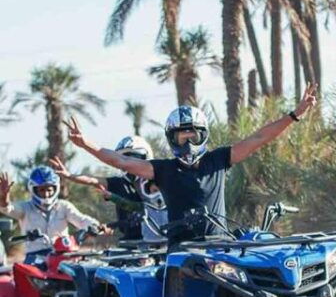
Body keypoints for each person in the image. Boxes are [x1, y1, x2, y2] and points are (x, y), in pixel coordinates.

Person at [66, 83, 318, 242]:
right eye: (181, 136)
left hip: (220, 246)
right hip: (182, 252)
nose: (187, 142)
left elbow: (259, 138)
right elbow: (121, 161)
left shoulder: (218, 159)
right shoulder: (162, 169)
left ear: (203, 135)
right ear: (171, 138)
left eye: (193, 135)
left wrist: (294, 115)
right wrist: (86, 144)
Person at [50, 136, 155, 240]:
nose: (128, 163)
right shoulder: (119, 183)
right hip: (129, 243)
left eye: (132, 158)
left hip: (157, 241)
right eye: (123, 159)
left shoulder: (157, 183)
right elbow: (91, 180)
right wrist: (69, 176)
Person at [0, 166, 105, 258]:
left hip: (63, 254)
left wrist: (95, 226)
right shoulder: (26, 207)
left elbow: (81, 220)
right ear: (34, 189)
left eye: (49, 189)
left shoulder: (63, 206)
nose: (46, 194)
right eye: (42, 190)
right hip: (35, 256)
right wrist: (4, 197)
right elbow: (8, 208)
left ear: (56, 188)